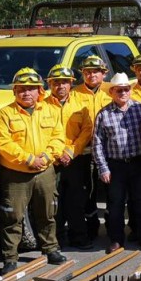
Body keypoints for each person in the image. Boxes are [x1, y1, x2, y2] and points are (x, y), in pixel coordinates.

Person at [0, 68, 67, 273]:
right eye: (21, 89)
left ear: (39, 91)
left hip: (45, 171)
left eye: (31, 89)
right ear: (15, 91)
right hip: (16, 174)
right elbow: (3, 143)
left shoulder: (50, 111)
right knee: (12, 216)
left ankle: (50, 248)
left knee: (47, 212)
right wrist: (28, 159)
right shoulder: (5, 114)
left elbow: (58, 137)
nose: (26, 93)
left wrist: (47, 157)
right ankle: (10, 257)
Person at [93, 73, 141, 252]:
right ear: (112, 92)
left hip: (138, 162)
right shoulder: (103, 114)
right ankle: (116, 239)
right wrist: (103, 168)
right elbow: (97, 142)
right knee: (115, 204)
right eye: (119, 90)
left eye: (126, 89)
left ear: (130, 90)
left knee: (140, 201)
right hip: (115, 165)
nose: (123, 93)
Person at [45, 64, 94, 249]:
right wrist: (57, 154)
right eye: (56, 83)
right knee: (54, 203)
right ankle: (56, 239)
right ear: (50, 85)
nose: (61, 86)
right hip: (53, 161)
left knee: (76, 200)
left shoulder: (81, 103)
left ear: (71, 84)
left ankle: (79, 237)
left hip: (75, 160)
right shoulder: (43, 106)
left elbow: (87, 130)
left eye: (65, 83)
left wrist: (71, 151)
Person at [74, 55, 113, 240]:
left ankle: (112, 224)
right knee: (87, 192)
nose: (91, 75)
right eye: (87, 72)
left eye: (95, 71)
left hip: (109, 152)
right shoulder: (74, 94)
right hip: (84, 152)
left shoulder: (111, 92)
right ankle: (91, 225)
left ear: (103, 73)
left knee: (110, 190)